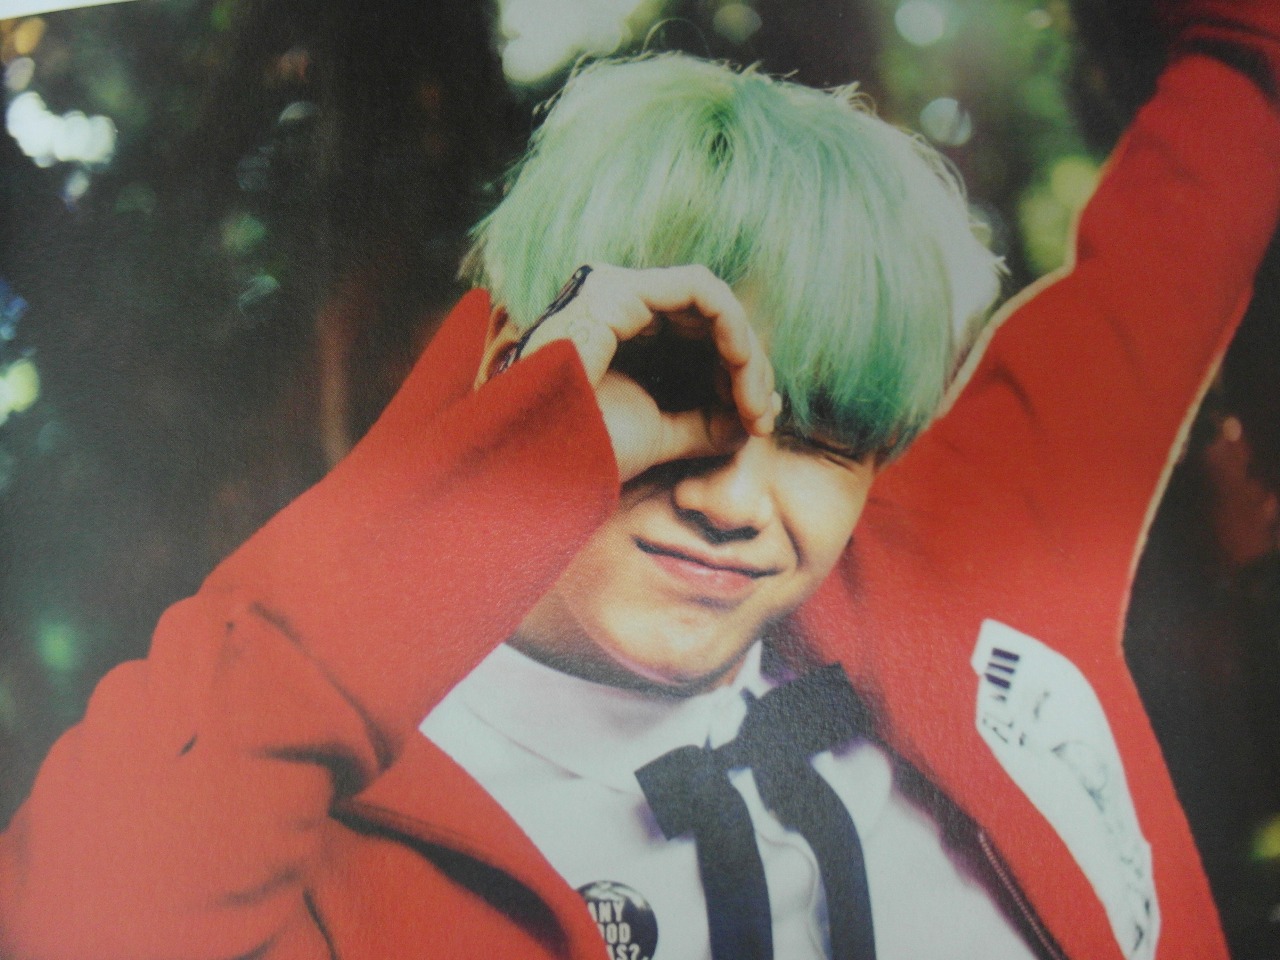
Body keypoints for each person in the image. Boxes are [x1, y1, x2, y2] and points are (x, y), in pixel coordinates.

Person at [1, 2, 1278, 959]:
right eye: (673, 390)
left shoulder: (968, 548)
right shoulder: (307, 815)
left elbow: (1226, 121)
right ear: (520, 367)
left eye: (822, 435)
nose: (734, 501)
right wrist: (507, 455)